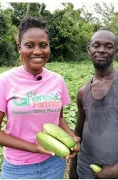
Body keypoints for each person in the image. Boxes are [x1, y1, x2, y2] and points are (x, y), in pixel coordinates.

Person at [0, 17, 80, 179]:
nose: (37, 51)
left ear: (49, 47)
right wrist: (34, 147)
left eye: (43, 45)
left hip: (54, 162)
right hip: (18, 167)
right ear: (19, 47)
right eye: (29, 45)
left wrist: (71, 136)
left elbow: (59, 118)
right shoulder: (5, 80)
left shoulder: (57, 80)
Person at [69, 28, 118, 179]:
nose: (101, 50)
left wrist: (115, 170)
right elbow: (79, 132)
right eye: (96, 45)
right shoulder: (83, 92)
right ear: (89, 50)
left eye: (108, 46)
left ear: (116, 50)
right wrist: (73, 168)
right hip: (85, 169)